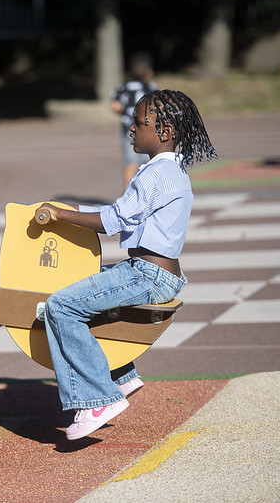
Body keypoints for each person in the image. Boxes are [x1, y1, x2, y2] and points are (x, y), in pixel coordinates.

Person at [37, 90, 217, 441]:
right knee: (84, 290)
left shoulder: (154, 175)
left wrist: (60, 214)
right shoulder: (170, 171)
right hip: (157, 272)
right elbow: (124, 214)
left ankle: (96, 400)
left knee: (61, 306)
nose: (130, 130)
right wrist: (72, 211)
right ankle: (121, 374)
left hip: (147, 275)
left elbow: (114, 220)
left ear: (164, 131)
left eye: (138, 123)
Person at [110, 52, 158, 186]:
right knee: (150, 163)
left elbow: (115, 106)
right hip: (149, 132)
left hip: (129, 132)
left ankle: (127, 192)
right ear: (149, 72)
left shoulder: (123, 87)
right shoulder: (151, 88)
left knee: (131, 163)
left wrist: (124, 110)